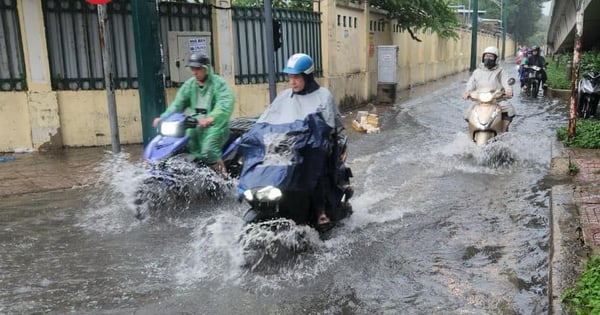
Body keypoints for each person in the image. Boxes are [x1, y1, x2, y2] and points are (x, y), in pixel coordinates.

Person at [256, 53, 343, 229]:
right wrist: (256, 129)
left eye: (296, 77)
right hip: (290, 146)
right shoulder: (284, 97)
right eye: (290, 77)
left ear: (307, 76)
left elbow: (329, 126)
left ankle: (320, 213)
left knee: (314, 170)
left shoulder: (323, 96)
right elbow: (268, 117)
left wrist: (320, 139)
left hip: (316, 149)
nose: (292, 82)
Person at [152, 53, 234, 179]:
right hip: (195, 125)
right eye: (192, 69)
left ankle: (225, 181)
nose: (195, 72)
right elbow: (178, 104)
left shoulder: (219, 84)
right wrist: (164, 117)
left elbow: (224, 103)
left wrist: (211, 118)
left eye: (198, 69)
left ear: (206, 68)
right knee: (182, 146)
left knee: (208, 151)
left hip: (215, 127)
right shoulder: (190, 85)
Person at [462, 46, 515, 132]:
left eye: (491, 56)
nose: (488, 58)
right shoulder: (477, 72)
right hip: (479, 100)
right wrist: (467, 92)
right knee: (467, 114)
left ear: (496, 59)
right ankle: (472, 131)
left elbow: (506, 82)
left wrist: (508, 91)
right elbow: (471, 83)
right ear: (483, 57)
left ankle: (503, 131)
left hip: (496, 100)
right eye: (486, 56)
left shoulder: (500, 71)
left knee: (510, 110)